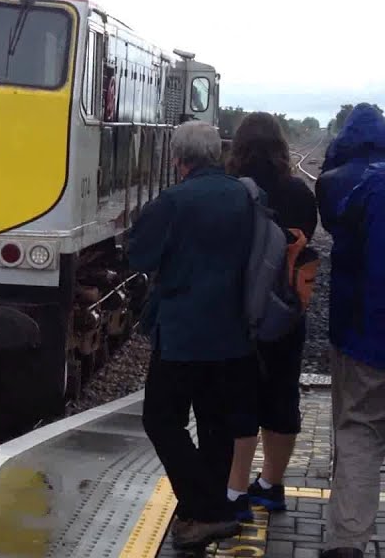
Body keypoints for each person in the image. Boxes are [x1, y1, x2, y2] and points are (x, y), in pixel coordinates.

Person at [129, 120, 257, 550]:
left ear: (178, 158)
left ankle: (206, 509)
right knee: (215, 424)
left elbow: (139, 256)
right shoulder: (243, 195)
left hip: (182, 332)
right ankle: (206, 510)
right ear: (216, 153)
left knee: (161, 420)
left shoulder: (174, 201)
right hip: (233, 332)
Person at [225, 112, 319, 521]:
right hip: (285, 311)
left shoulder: (232, 190)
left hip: (237, 310)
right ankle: (271, 484)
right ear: (281, 145)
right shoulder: (299, 192)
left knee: (238, 397)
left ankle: (234, 490)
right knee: (282, 395)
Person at [316, 104, 385, 558]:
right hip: (364, 330)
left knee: (359, 428)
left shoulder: (343, 183)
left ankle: (347, 541)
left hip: (363, 335)